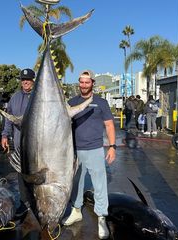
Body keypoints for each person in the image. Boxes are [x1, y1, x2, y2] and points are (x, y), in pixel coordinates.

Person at [64, 69, 116, 239]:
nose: (84, 85)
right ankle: (76, 210)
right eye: (81, 81)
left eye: (87, 82)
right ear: (78, 82)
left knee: (99, 184)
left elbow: (109, 125)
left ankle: (101, 217)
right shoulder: (71, 102)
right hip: (75, 150)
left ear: (92, 83)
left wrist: (112, 146)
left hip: (94, 149)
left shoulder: (101, 103)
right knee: (76, 183)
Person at [1, 68, 35, 208]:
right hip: (19, 143)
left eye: (28, 79)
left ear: (33, 81)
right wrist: (4, 135)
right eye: (23, 79)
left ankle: (36, 200)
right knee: (21, 172)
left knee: (35, 173)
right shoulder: (14, 98)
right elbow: (9, 119)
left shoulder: (39, 96)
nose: (25, 82)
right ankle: (24, 200)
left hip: (36, 145)